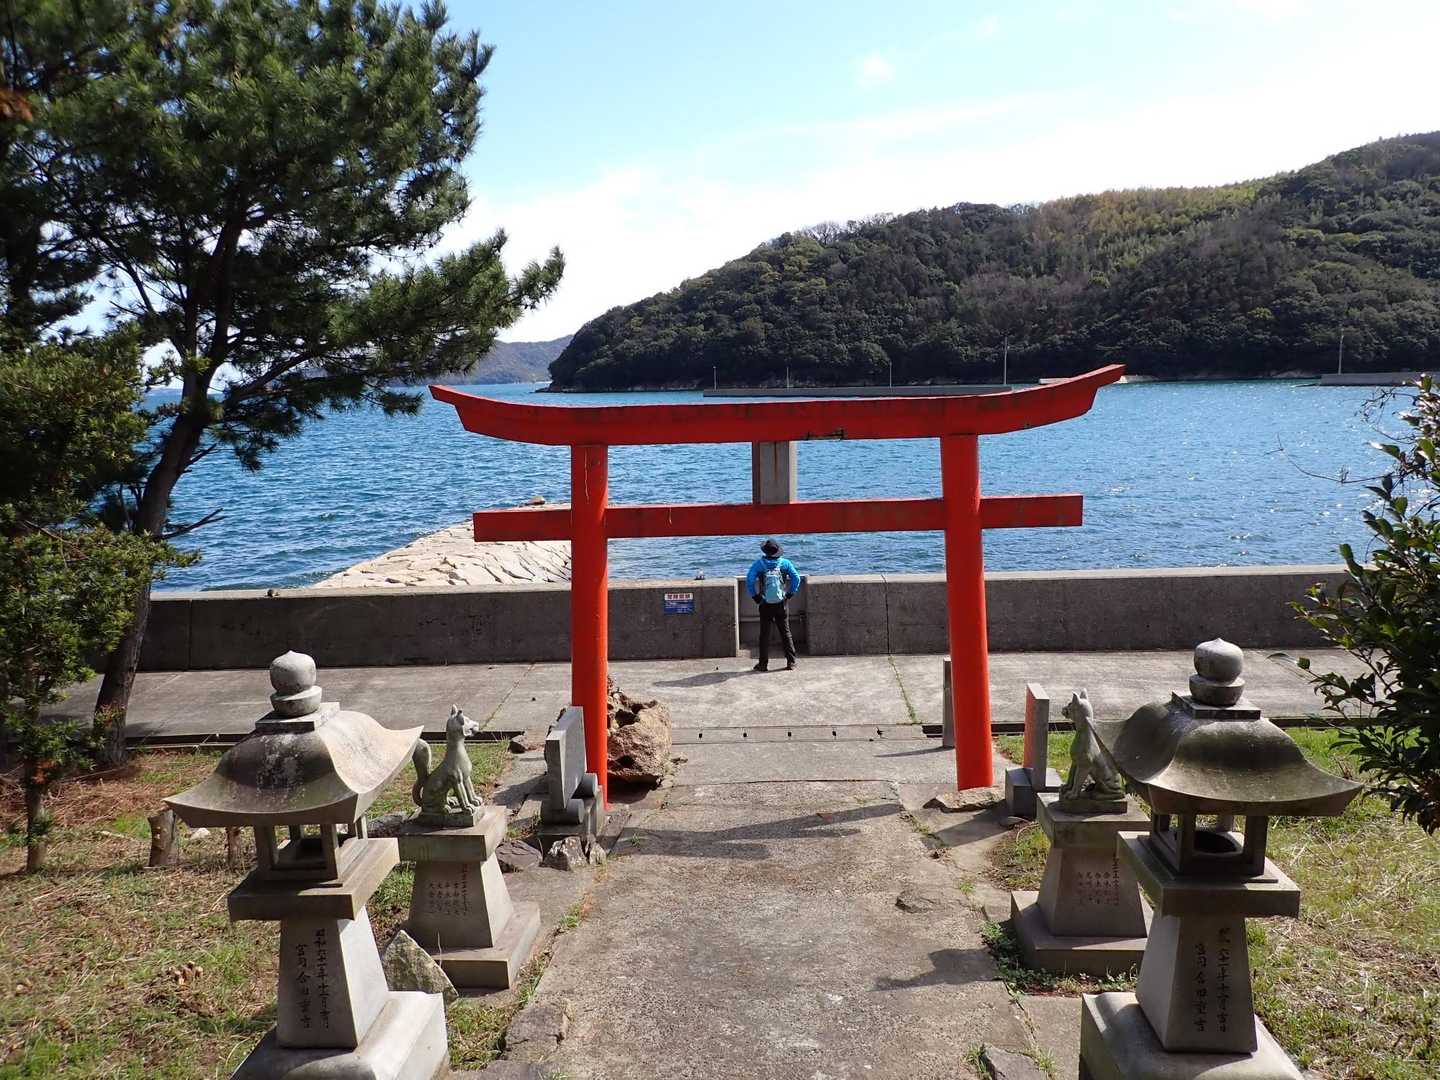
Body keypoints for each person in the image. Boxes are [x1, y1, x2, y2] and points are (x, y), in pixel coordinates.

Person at [745, 538, 801, 672]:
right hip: (781, 603)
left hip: (765, 603)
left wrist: (756, 597)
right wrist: (789, 595)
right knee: (785, 633)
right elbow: (796, 578)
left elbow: (749, 581)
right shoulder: (785, 563)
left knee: (764, 634)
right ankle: (791, 662)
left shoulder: (759, 564)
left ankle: (763, 664)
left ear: (765, 551)